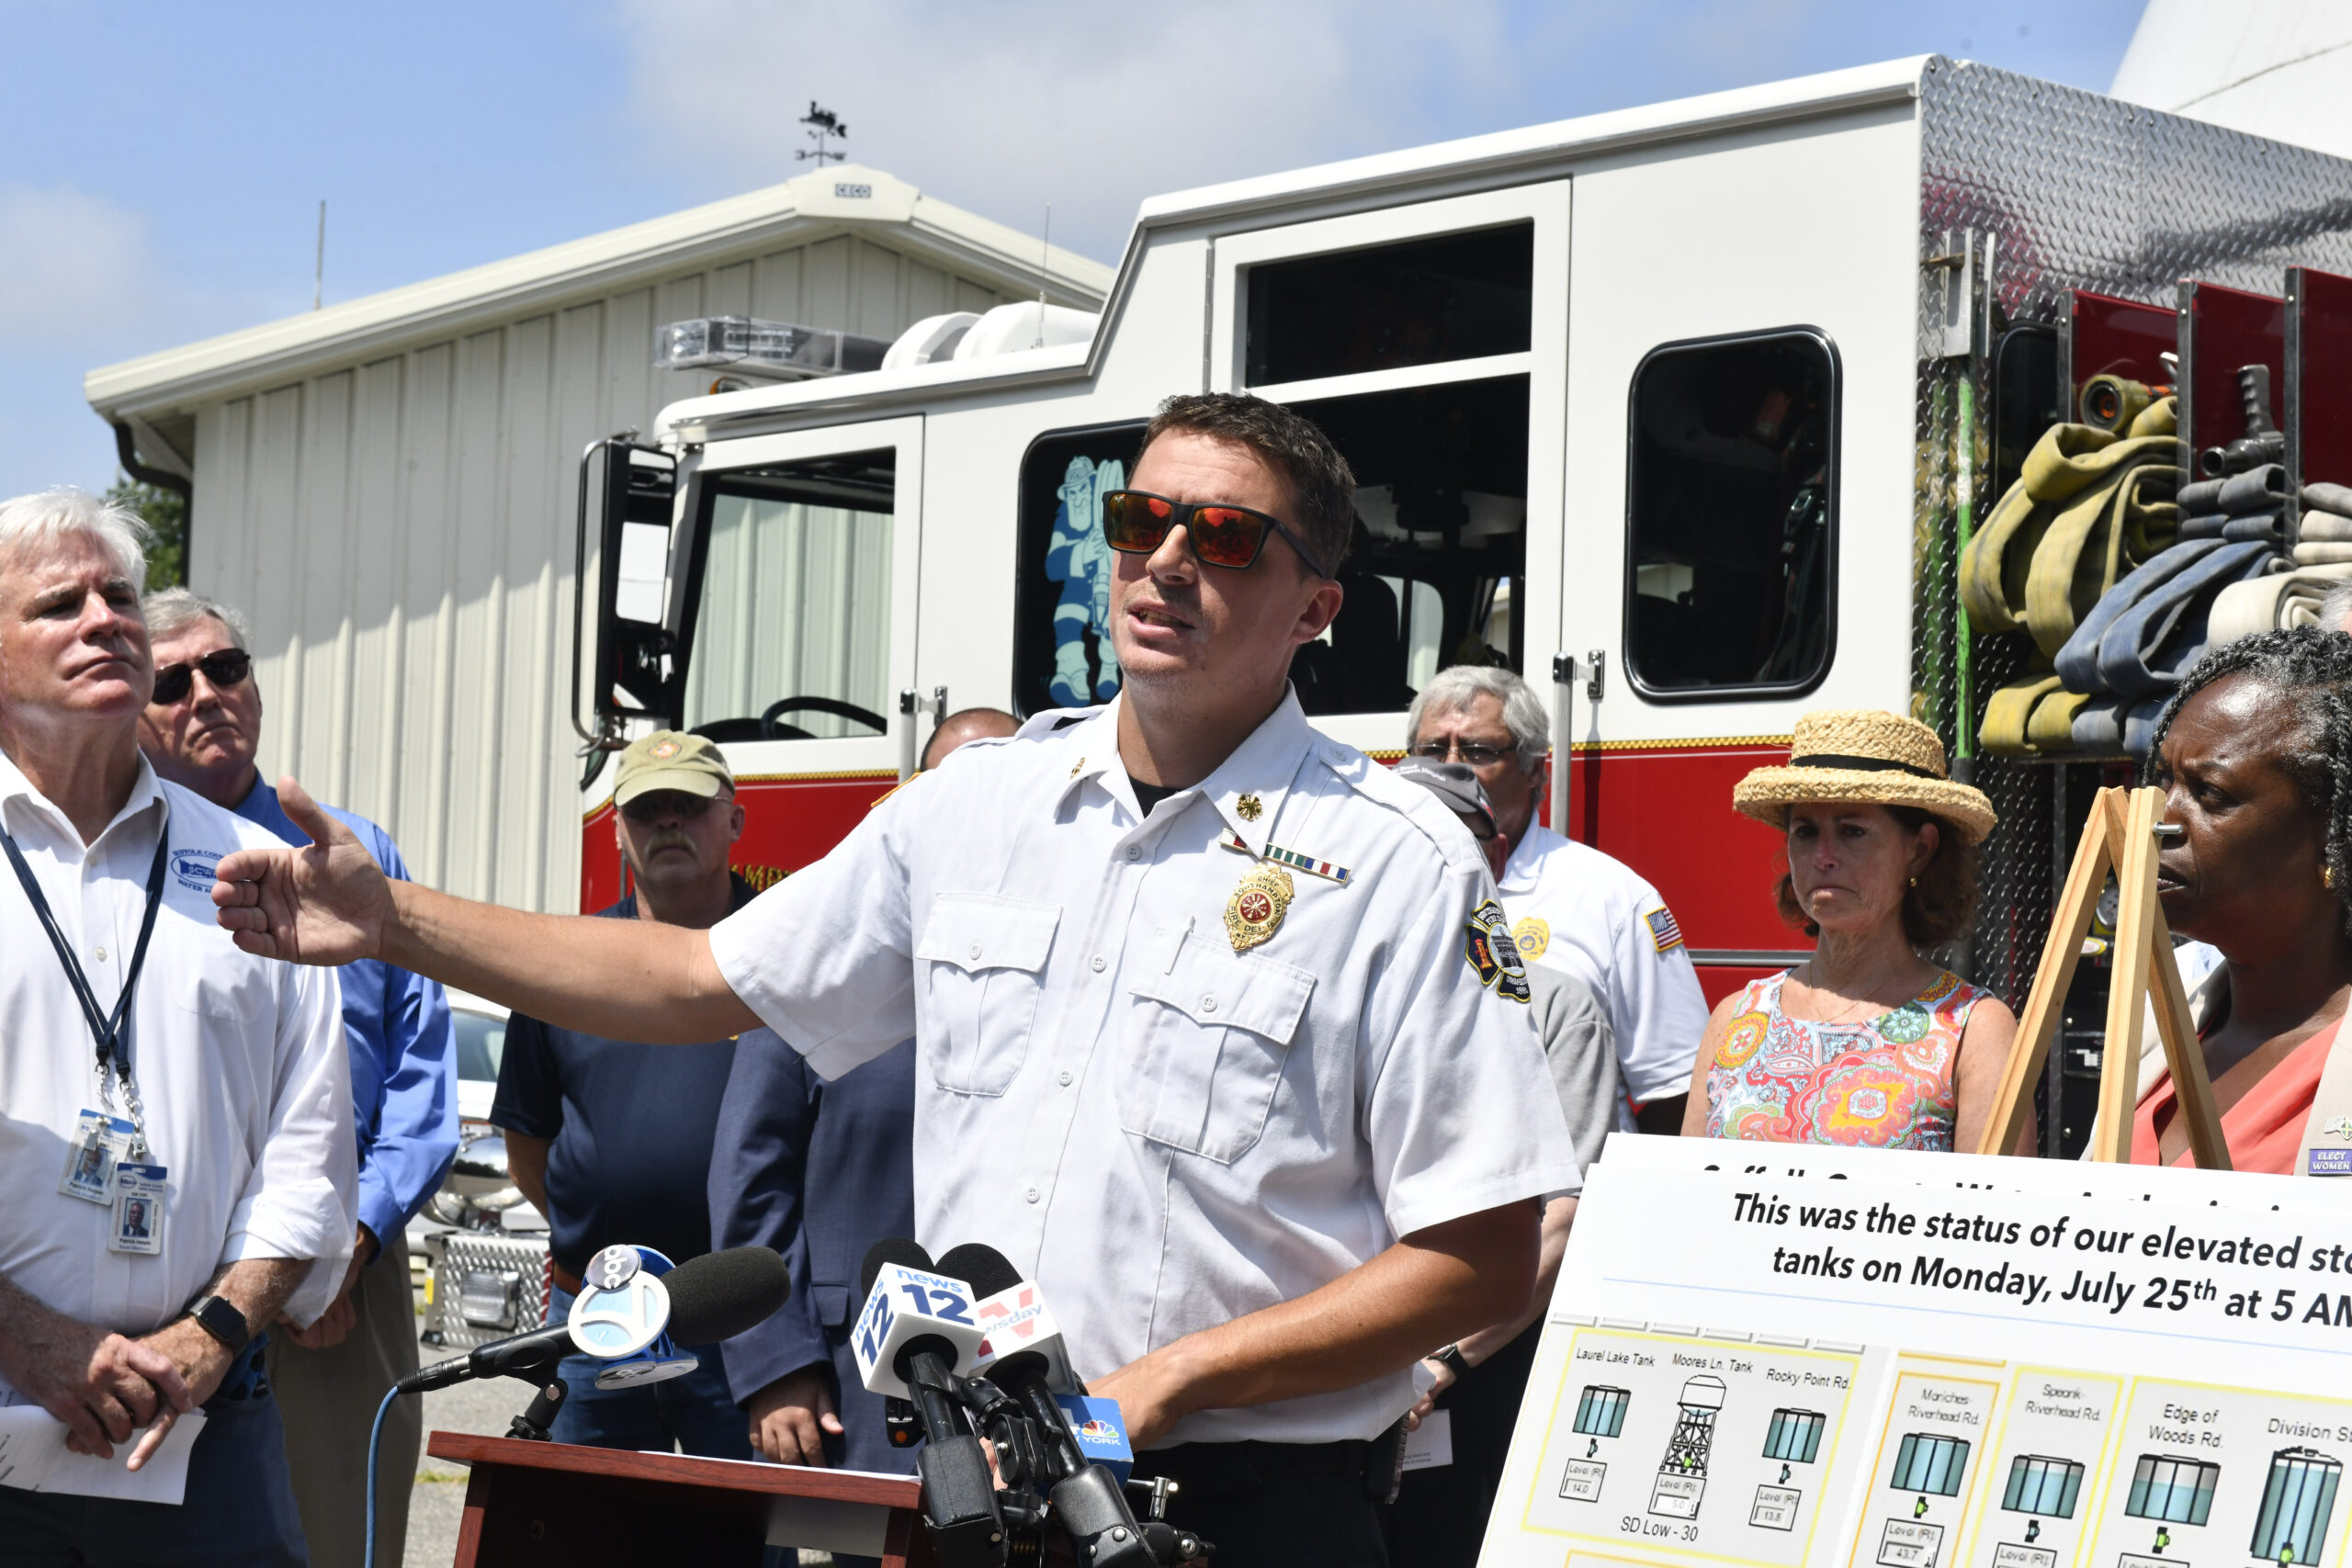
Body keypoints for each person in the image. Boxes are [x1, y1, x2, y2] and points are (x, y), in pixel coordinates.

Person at [212, 392, 1580, 1568]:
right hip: (977, 1488)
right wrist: (391, 918)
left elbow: (1480, 1254)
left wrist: (1170, 1381)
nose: (1163, 559)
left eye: (1222, 536)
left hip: (1247, 1507)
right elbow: (693, 976)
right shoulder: (975, 804)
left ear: (1317, 608)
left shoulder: (1400, 861)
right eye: (1135, 519)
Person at [0, 488, 355, 1565]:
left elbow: (310, 1146)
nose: (107, 620)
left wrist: (212, 1335)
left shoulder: (250, 868)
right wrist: (27, 1340)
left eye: (121, 597)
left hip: (205, 1427)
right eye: (61, 603)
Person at [136, 587, 458, 1568]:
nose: (206, 695)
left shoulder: (351, 855)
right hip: (163, 1268)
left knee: (340, 1539)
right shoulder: (109, 860)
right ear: (132, 708)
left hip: (346, 1278)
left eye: (225, 668)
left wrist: (347, 1243)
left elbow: (421, 1075)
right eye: (172, 680)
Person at [492, 729, 766, 1456]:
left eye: (688, 806)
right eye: (648, 810)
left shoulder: (783, 954)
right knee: (594, 1534)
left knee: (736, 1542)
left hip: (741, 1322)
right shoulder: (565, 967)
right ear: (618, 829)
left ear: (734, 820)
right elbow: (528, 1153)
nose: (668, 822)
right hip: (598, 1312)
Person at [1386, 757, 1611, 1568]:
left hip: (1470, 1373)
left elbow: (1564, 1216)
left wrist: (1435, 1363)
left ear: (1498, 855)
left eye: (1448, 837)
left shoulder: (1554, 1006)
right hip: (1333, 1372)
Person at [1682, 709, 2020, 1151]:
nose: (1823, 856)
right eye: (1805, 831)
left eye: (1852, 831)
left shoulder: (1972, 1028)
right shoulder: (1734, 1019)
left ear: (1919, 851)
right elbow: (1681, 1196)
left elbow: (1991, 1214)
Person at [1407, 666, 1709, 1132]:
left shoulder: (1614, 899)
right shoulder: (1378, 884)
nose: (1450, 765)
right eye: (1431, 749)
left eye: (1477, 750)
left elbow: (1677, 1094)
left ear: (1532, 769)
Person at [2097, 627, 2352, 1173]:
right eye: (2162, 779)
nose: (2158, 819)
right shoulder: (2148, 1027)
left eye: (2210, 794)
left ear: (2333, 837)